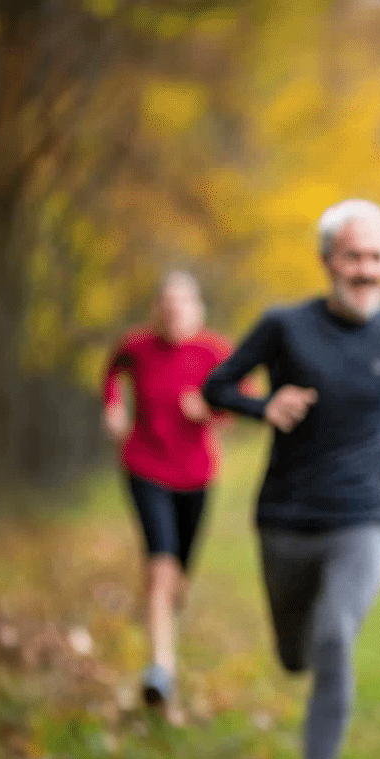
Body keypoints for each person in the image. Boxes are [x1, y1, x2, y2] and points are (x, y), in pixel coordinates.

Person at [202, 199, 380, 759]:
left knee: (336, 635)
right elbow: (216, 385)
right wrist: (266, 406)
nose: (366, 271)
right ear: (326, 261)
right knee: (296, 655)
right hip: (285, 517)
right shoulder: (283, 326)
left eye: (377, 259)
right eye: (354, 257)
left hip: (367, 515)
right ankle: (301, 663)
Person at [101, 270, 231, 716]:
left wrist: (209, 410)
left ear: (198, 309)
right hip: (145, 466)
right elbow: (111, 374)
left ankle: (164, 636)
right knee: (160, 565)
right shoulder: (136, 346)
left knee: (178, 579)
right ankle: (161, 670)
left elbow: (240, 402)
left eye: (183, 303)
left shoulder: (214, 352)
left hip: (196, 475)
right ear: (157, 310)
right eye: (166, 303)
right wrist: (114, 408)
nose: (174, 312)